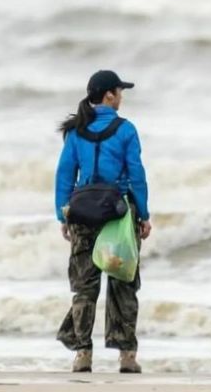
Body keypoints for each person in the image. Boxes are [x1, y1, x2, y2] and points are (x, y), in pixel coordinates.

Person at [54, 70, 152, 373]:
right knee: (123, 282)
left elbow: (64, 175)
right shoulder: (126, 130)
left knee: (84, 287)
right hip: (118, 216)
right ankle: (126, 357)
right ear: (109, 95)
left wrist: (63, 214)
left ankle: (82, 354)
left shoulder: (75, 131)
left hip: (82, 214)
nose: (121, 97)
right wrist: (144, 215)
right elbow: (136, 174)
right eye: (119, 91)